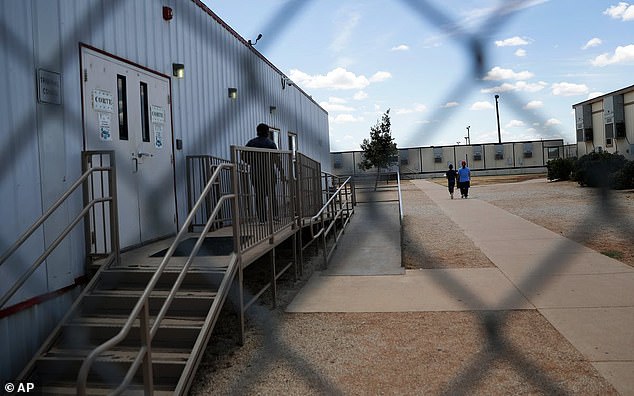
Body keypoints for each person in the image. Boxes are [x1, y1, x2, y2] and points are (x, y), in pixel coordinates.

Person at [245, 123, 277, 223]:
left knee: (259, 196)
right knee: (272, 195)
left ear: (257, 131)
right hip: (269, 173)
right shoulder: (271, 144)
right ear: (267, 132)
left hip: (256, 173)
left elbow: (243, 156)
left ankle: (262, 219)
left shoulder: (251, 143)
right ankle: (274, 217)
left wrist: (252, 162)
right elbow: (276, 158)